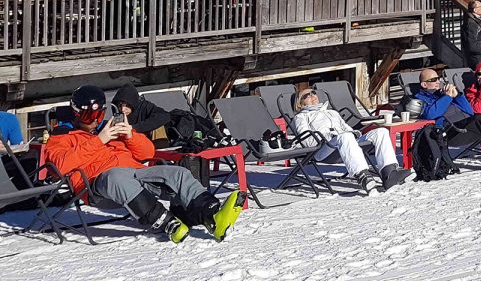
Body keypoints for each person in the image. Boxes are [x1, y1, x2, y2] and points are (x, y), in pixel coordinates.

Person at [43, 85, 243, 243]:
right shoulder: (61, 137)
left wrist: (130, 135)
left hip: (135, 174)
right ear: (77, 113)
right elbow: (60, 167)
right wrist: (99, 140)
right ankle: (167, 223)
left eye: (99, 114)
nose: (96, 121)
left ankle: (212, 215)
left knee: (178, 173)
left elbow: (147, 153)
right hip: (98, 185)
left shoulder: (111, 128)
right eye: (90, 116)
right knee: (116, 177)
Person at [291, 88, 405, 193]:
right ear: (300, 104)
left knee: (381, 132)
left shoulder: (332, 112)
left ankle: (389, 173)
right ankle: (363, 176)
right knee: (345, 136)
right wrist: (329, 136)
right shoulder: (301, 117)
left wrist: (354, 133)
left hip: (346, 143)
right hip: (324, 150)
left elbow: (347, 129)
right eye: (307, 95)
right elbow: (306, 140)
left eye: (313, 93)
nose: (312, 95)